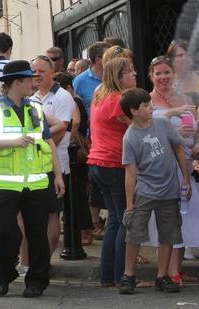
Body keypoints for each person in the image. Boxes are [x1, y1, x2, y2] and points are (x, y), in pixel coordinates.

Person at [0, 60, 64, 299]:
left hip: (36, 181)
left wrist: (57, 175)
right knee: (6, 232)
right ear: (16, 83)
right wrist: (11, 142)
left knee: (37, 233)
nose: (33, 82)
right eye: (29, 79)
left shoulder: (35, 109)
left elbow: (47, 142)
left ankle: (36, 281)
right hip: (4, 183)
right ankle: (3, 274)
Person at [118, 88, 190, 295]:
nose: (151, 108)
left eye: (150, 104)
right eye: (145, 106)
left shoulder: (162, 123)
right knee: (135, 233)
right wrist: (130, 204)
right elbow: (130, 173)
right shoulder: (130, 137)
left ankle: (162, 276)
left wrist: (185, 179)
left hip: (169, 190)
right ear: (133, 111)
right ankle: (128, 275)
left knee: (168, 233)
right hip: (145, 191)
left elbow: (178, 148)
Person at [147, 56, 199, 285]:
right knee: (168, 218)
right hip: (166, 169)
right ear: (151, 76)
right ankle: (169, 271)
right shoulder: (147, 102)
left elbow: (198, 127)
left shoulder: (185, 98)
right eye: (158, 74)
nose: (163, 78)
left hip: (189, 166)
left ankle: (177, 268)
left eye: (167, 72)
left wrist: (198, 140)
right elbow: (148, 132)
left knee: (187, 219)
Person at [87, 57, 138, 287]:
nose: (134, 74)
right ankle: (120, 275)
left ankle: (108, 276)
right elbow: (137, 124)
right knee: (123, 219)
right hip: (113, 163)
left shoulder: (100, 95)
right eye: (130, 72)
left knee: (114, 221)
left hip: (98, 162)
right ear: (119, 76)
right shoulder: (118, 99)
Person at [31, 56, 73, 258]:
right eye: (34, 71)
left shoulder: (62, 97)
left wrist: (41, 152)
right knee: (38, 215)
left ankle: (46, 259)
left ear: (52, 72)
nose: (37, 75)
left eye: (41, 71)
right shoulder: (33, 97)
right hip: (36, 166)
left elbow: (60, 131)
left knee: (52, 213)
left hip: (55, 165)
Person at [54, 72, 94, 245]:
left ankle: (84, 232)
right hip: (72, 153)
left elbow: (75, 123)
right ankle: (78, 231)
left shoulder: (73, 100)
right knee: (76, 194)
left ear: (68, 88)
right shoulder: (73, 100)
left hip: (75, 153)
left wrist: (68, 138)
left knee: (78, 194)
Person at [73, 41, 111, 116]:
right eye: (109, 57)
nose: (114, 59)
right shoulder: (79, 81)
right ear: (98, 60)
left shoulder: (117, 76)